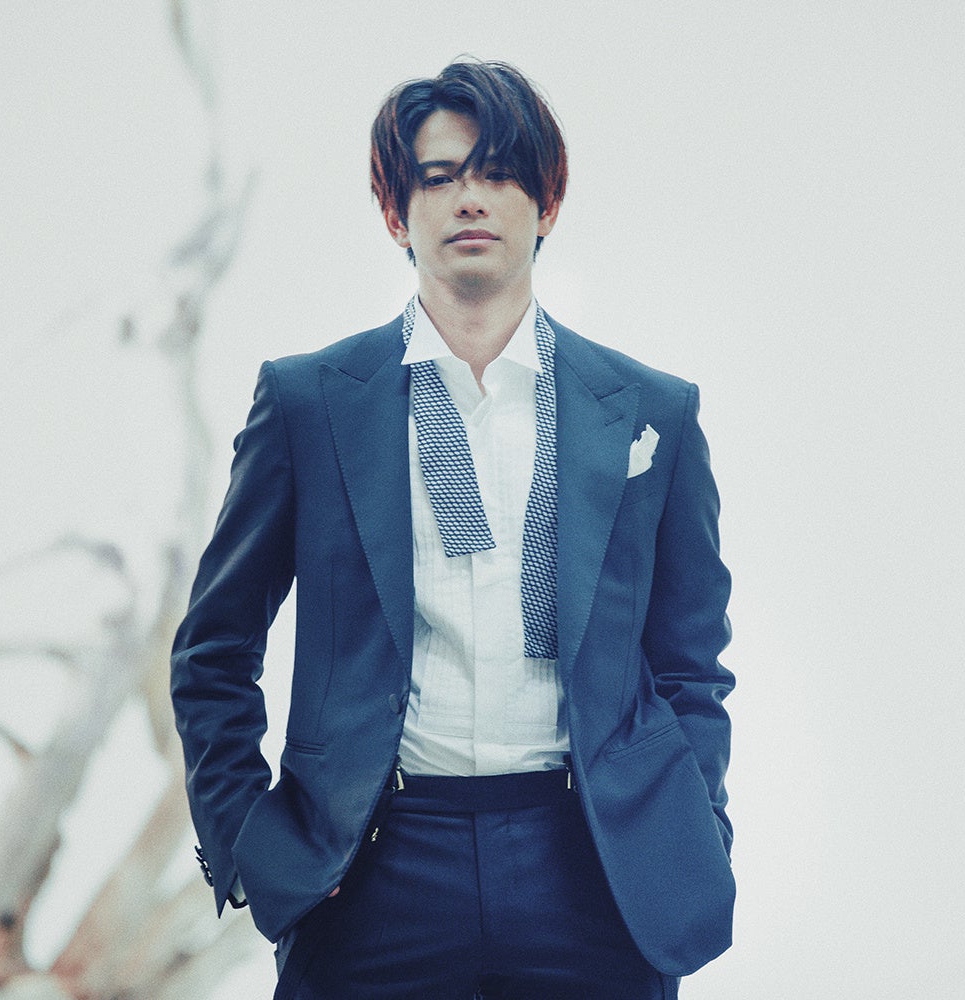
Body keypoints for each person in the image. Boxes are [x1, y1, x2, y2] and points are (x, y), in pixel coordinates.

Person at [171, 57, 736, 1000]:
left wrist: (689, 824)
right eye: (438, 177)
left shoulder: (651, 412)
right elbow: (214, 650)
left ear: (546, 203)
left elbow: (690, 662)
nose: (470, 197)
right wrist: (250, 843)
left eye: (499, 173)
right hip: (374, 867)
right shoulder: (311, 403)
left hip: (593, 865)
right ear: (397, 215)